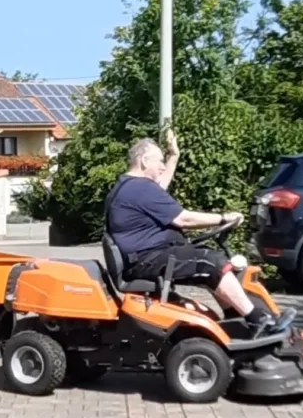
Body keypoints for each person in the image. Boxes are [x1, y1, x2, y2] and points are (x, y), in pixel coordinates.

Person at [105, 133, 277, 331]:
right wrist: (224, 217)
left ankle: (234, 318)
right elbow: (183, 219)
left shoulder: (131, 186)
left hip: (146, 258)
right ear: (144, 161)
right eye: (160, 161)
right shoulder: (139, 188)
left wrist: (174, 155)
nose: (162, 167)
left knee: (207, 265)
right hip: (148, 261)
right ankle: (258, 319)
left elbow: (161, 185)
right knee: (210, 261)